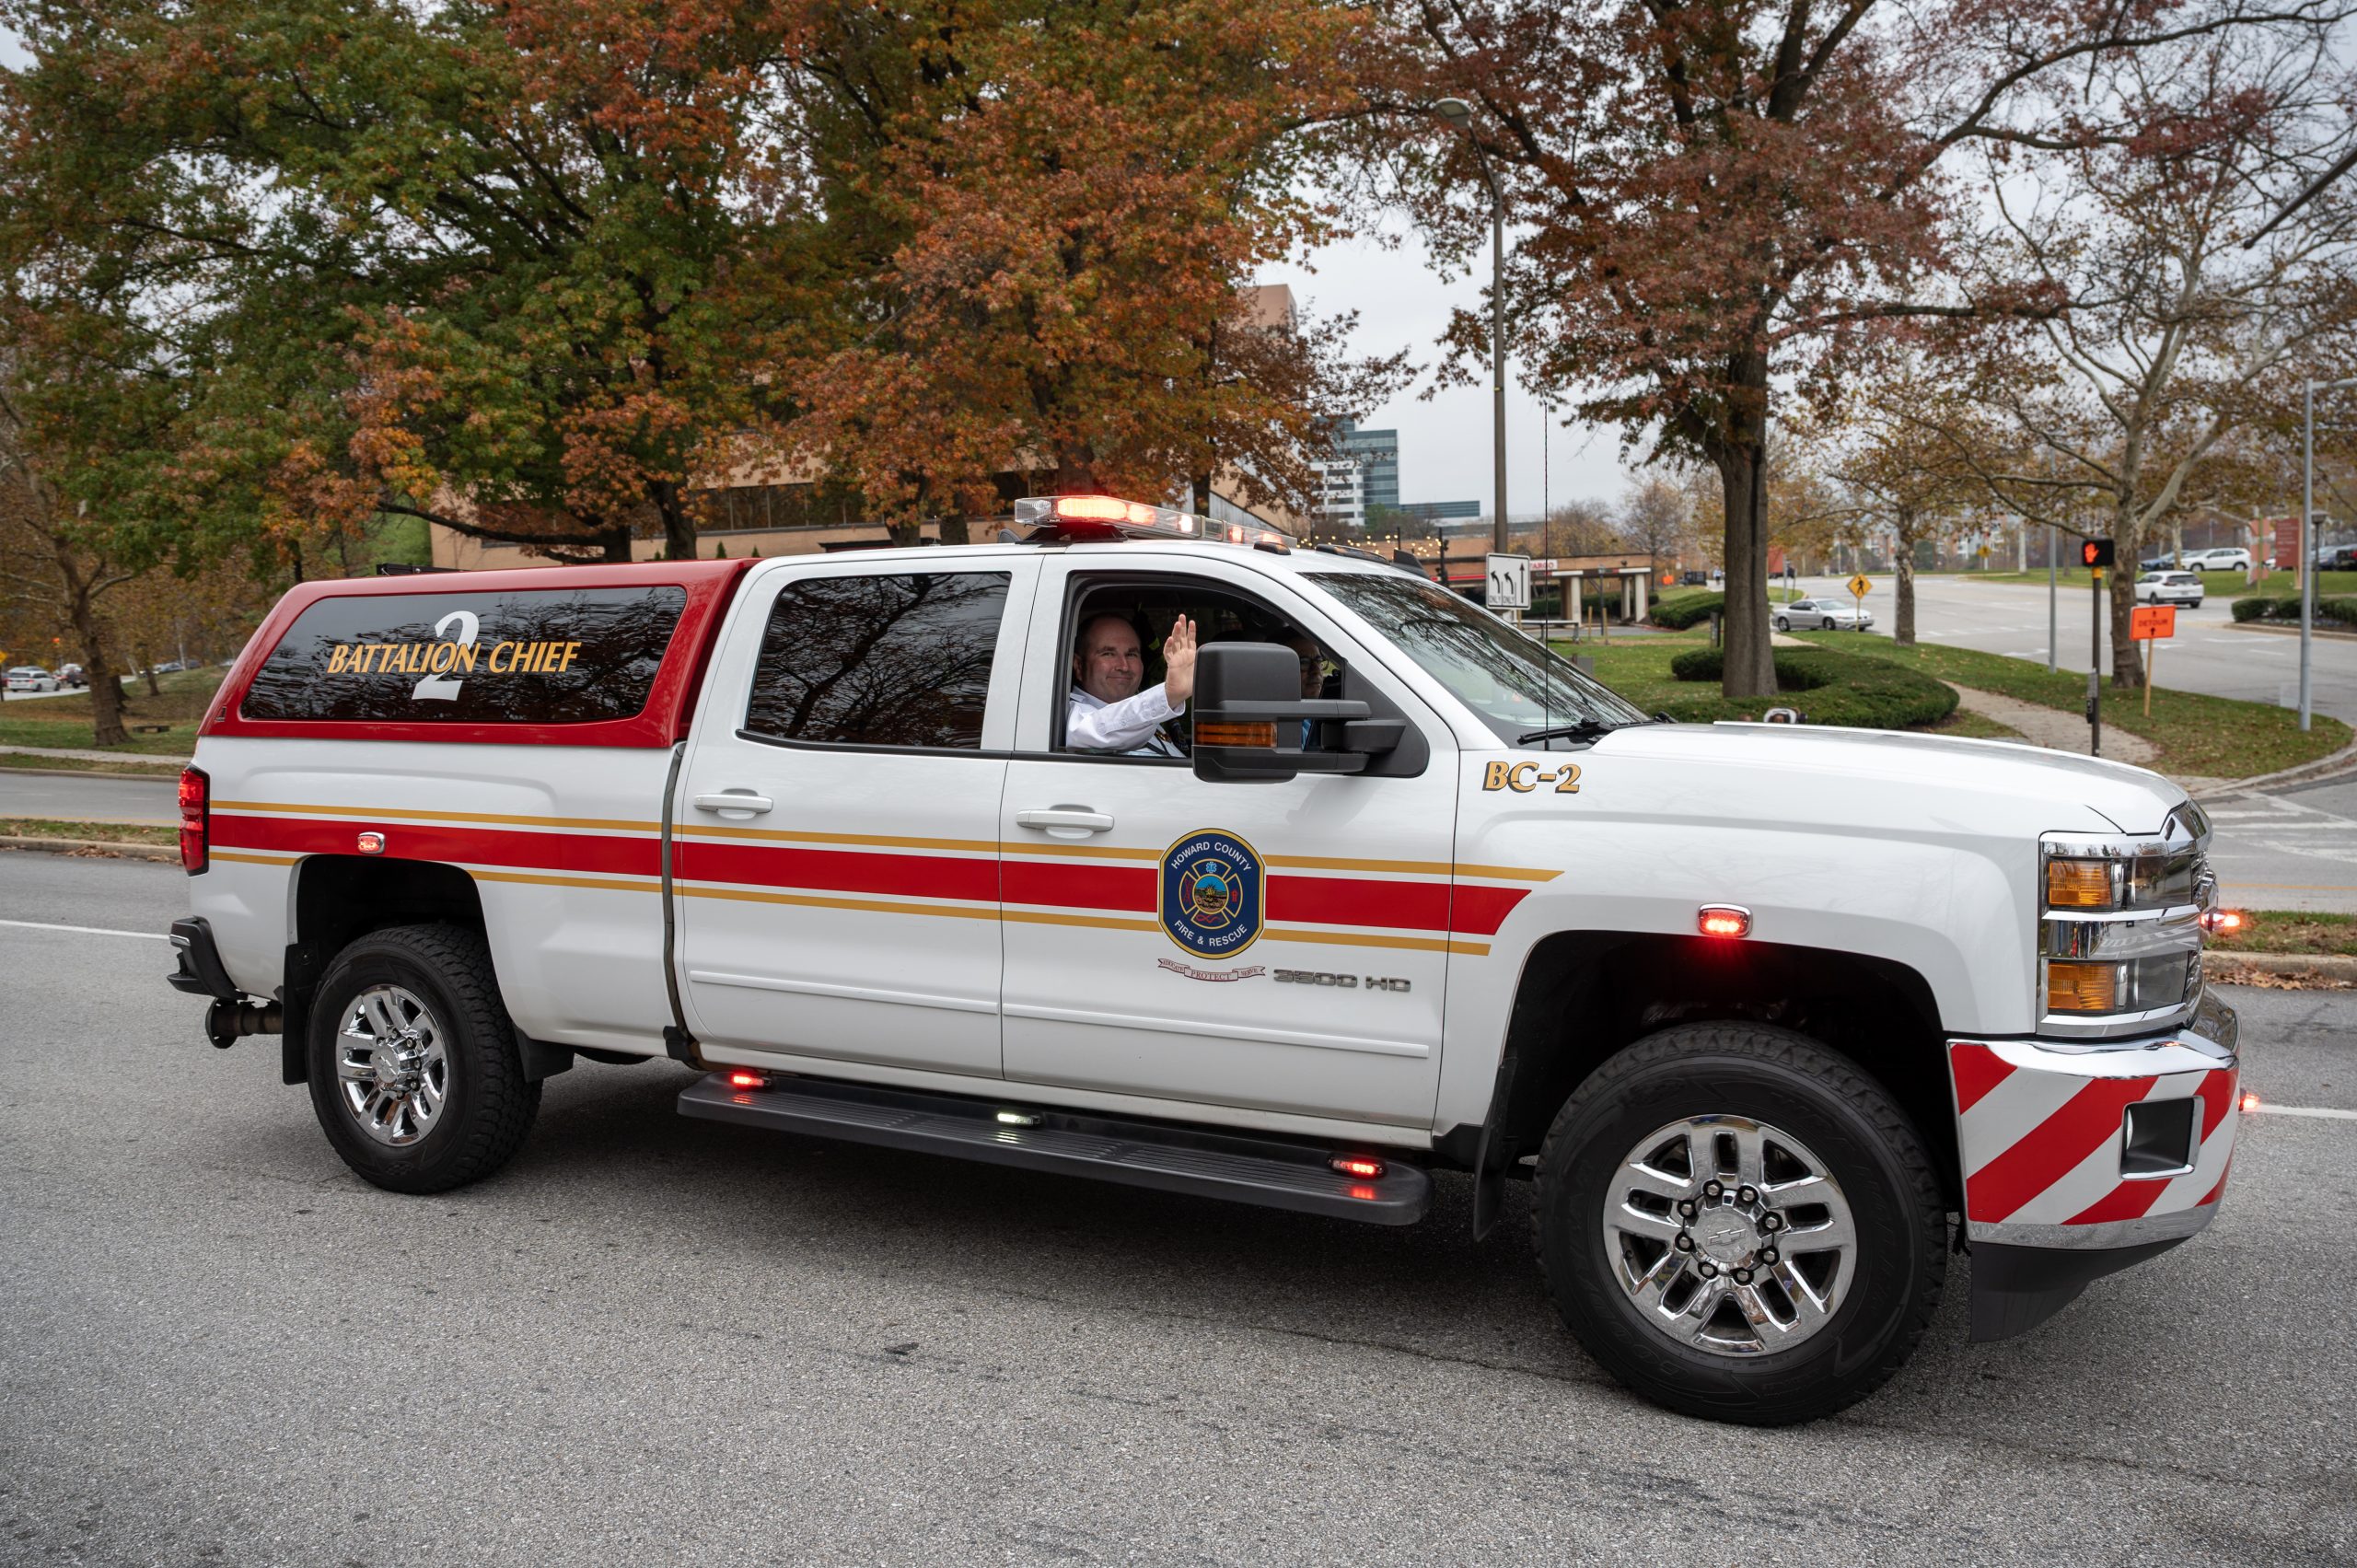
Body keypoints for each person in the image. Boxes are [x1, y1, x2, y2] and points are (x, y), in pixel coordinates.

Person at [1067, 611, 1196, 756]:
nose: (1124, 666)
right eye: (1108, 654)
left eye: (1131, 654)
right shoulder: (1071, 717)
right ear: (1078, 665)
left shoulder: (1142, 714)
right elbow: (1093, 730)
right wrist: (1169, 696)